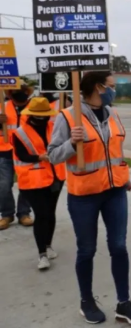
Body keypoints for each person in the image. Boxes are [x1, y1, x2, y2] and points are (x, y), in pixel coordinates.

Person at [48, 71, 131, 325]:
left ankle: (124, 303)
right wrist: (71, 143)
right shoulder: (68, 116)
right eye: (111, 87)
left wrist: (122, 177)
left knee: (119, 246)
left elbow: (115, 150)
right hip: (84, 195)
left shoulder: (113, 113)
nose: (114, 91)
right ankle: (86, 301)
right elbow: (53, 156)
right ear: (97, 87)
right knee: (87, 250)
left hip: (115, 191)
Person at [12, 97, 66, 270]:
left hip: (55, 176)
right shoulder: (20, 133)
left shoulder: (53, 127)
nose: (42, 118)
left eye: (45, 114)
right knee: (41, 215)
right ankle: (41, 254)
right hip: (33, 181)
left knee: (50, 213)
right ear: (31, 114)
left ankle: (48, 245)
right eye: (39, 115)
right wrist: (40, 157)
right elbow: (22, 155)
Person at [0, 83, 33, 231]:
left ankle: (24, 213)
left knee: (26, 184)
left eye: (21, 91)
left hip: (26, 152)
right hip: (5, 151)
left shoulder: (34, 107)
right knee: (4, 185)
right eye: (15, 91)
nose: (18, 93)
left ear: (27, 92)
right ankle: (7, 214)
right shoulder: (2, 107)